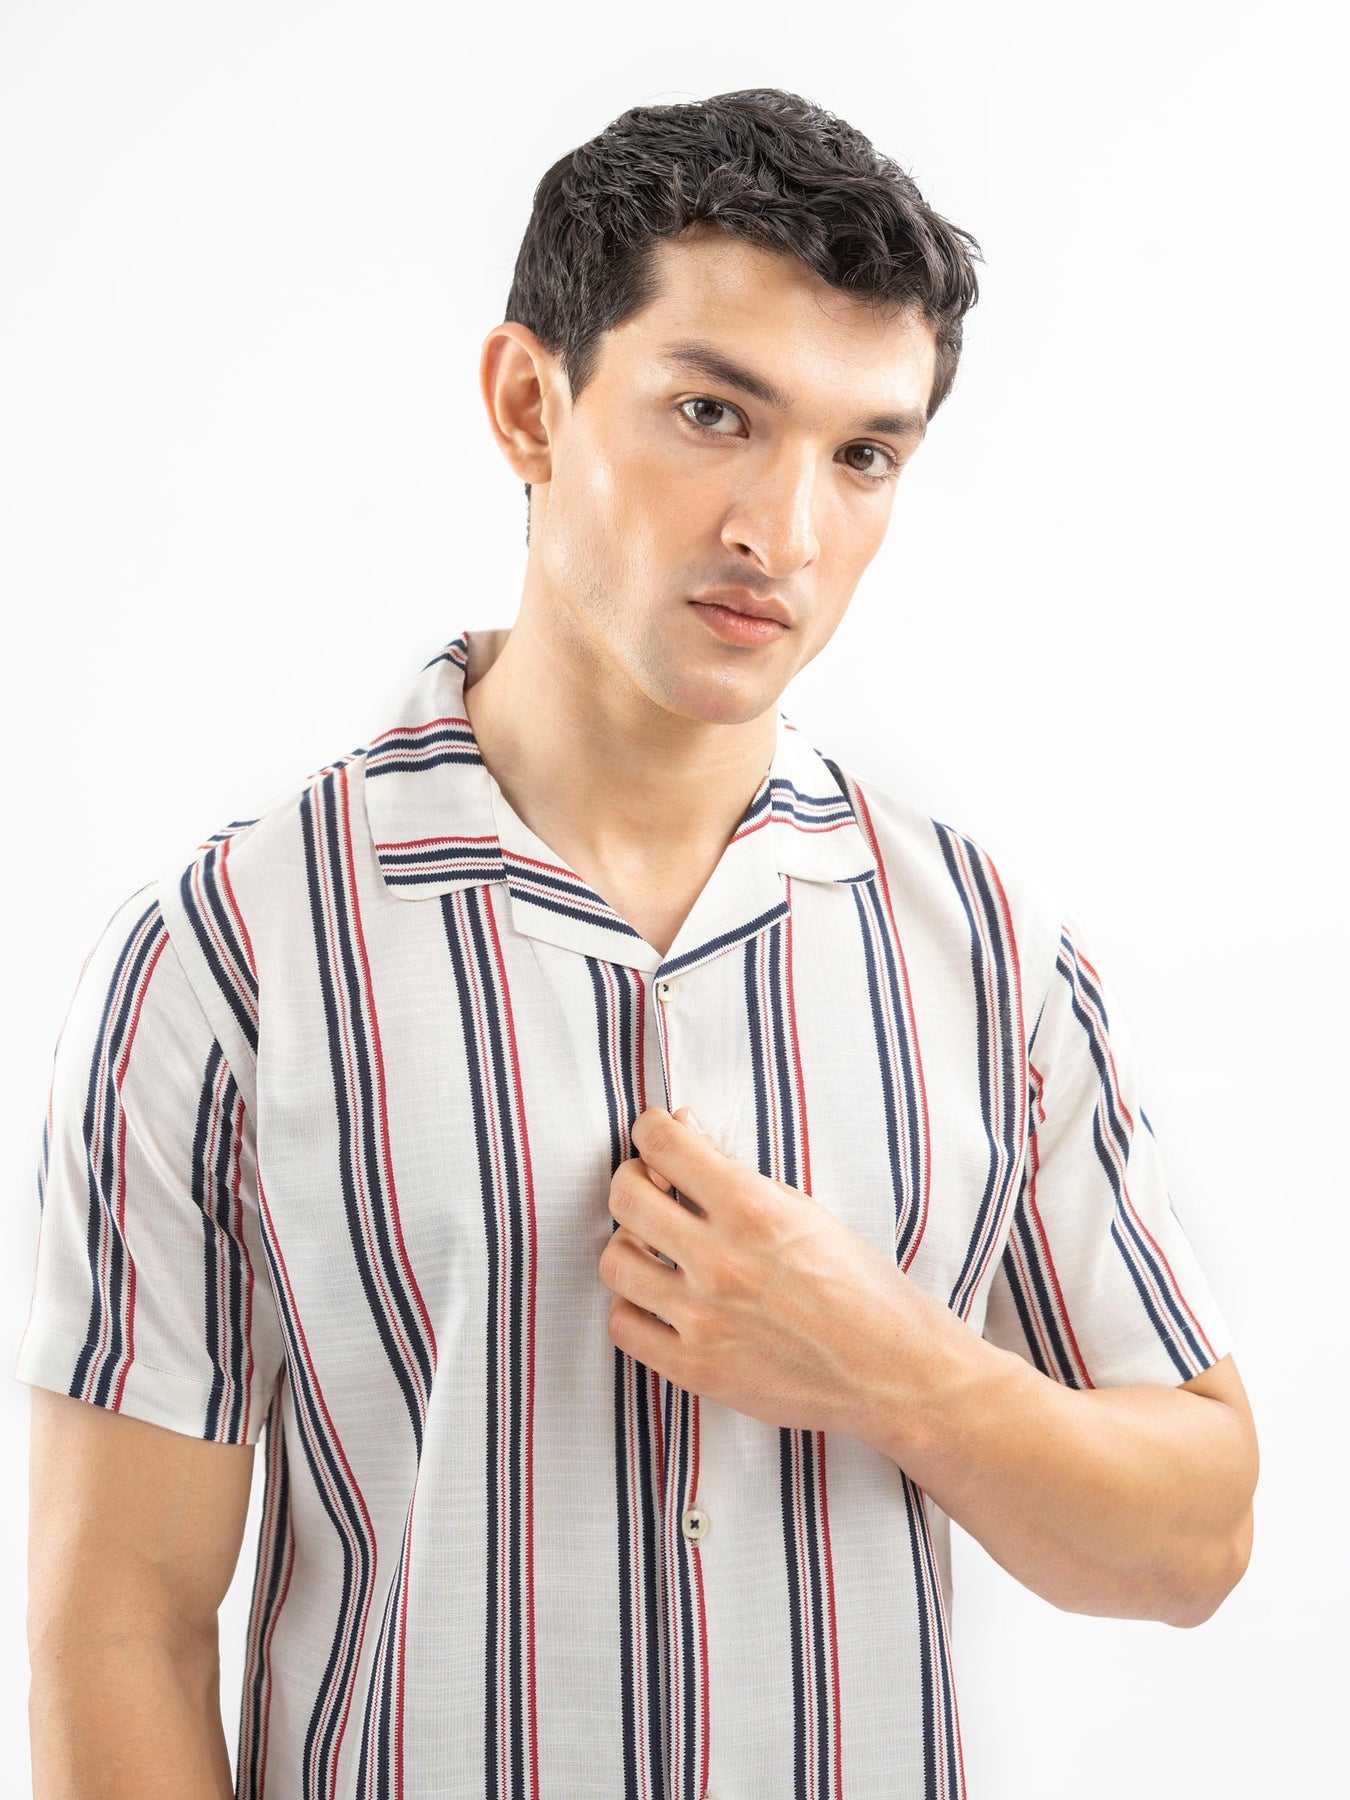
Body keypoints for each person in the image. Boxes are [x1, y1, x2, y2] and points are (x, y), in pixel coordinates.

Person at [16, 87, 1257, 1800]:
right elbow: (121, 1626)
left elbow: (1193, 1541)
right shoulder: (230, 957)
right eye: (710, 413)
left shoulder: (987, 953)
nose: (783, 533)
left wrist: (900, 1372)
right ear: (529, 404)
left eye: (862, 454)